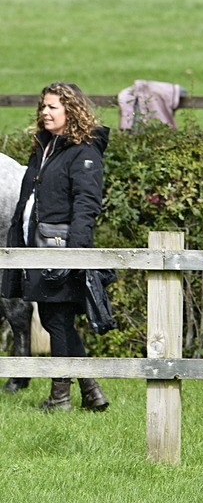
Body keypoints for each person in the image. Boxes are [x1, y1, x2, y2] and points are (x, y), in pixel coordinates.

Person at [2, 82, 111, 412]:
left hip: (61, 247)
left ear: (71, 111)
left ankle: (60, 397)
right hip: (39, 247)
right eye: (44, 106)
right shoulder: (45, 149)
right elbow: (30, 201)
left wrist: (73, 251)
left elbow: (87, 204)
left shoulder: (84, 153)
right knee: (57, 320)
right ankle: (91, 391)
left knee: (57, 321)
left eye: (53, 107)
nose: (45, 112)